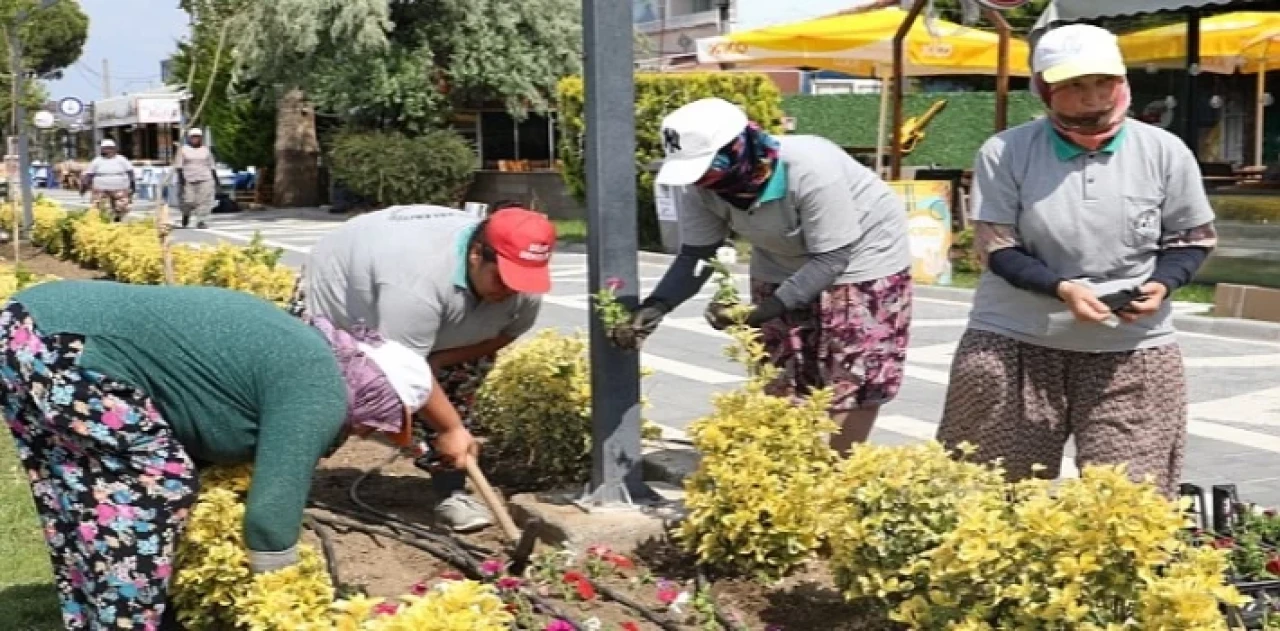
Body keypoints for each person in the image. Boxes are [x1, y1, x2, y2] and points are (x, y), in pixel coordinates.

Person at [0, 279, 457, 630]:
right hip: (67, 346)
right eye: (378, 421)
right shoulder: (321, 389)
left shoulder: (310, 357)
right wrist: (284, 600)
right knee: (159, 484)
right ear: (377, 396)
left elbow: (202, 419)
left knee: (87, 496)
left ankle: (102, 617)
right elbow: (270, 515)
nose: (365, 431)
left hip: (32, 328)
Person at [934, 24, 1217, 498]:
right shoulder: (1006, 152)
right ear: (1044, 90)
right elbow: (996, 247)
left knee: (1130, 499)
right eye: (1073, 86)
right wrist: (1062, 289)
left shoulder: (1165, 151)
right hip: (1015, 338)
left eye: (1102, 82)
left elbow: (1191, 238)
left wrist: (1163, 285)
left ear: (1122, 81)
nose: (1092, 98)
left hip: (1130, 345)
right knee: (992, 490)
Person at [610, 97, 914, 455]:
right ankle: (789, 465)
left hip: (862, 257)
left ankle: (837, 474)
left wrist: (761, 310)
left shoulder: (810, 168)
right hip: (779, 258)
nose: (703, 181)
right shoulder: (700, 186)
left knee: (851, 373)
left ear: (738, 148)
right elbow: (697, 254)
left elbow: (832, 257)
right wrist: (657, 307)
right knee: (779, 370)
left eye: (707, 168)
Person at [291, 203, 555, 532]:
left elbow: (507, 332)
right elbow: (399, 366)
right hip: (344, 298)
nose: (511, 291)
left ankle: (451, 493)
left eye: (520, 282)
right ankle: (279, 478)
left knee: (456, 388)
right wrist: (449, 429)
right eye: (502, 279)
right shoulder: (415, 281)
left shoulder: (520, 280)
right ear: (476, 255)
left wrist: (440, 362)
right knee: (338, 396)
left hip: (422, 319)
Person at [174, 127, 219, 229]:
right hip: (188, 179)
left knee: (204, 201)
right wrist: (181, 179)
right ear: (189, 138)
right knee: (188, 201)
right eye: (193, 137)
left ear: (201, 138)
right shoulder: (183, 150)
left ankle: (201, 221)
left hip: (205, 178)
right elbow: (179, 166)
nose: (195, 139)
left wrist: (216, 179)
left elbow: (212, 165)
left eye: (197, 137)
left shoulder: (205, 150)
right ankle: (186, 214)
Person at [80, 139, 135, 222]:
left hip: (120, 188)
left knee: (122, 207)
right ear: (102, 149)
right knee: (102, 208)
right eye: (105, 148)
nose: (108, 150)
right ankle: (105, 223)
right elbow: (89, 174)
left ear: (114, 149)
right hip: (101, 189)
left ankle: (118, 219)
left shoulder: (122, 159)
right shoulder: (97, 161)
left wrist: (133, 185)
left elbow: (130, 172)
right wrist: (84, 187)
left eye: (110, 148)